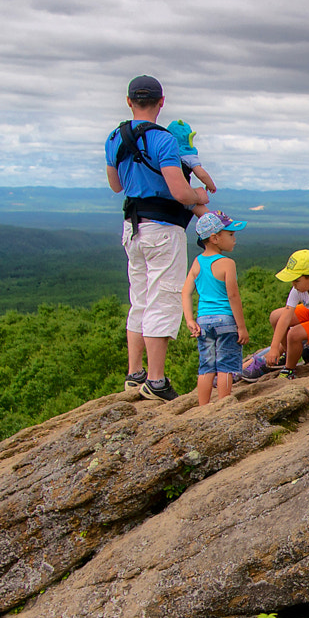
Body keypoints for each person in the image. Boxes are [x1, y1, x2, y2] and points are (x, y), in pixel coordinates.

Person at [105, 75, 208, 402]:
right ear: (161, 102)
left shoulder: (113, 138)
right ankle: (156, 381)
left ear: (128, 101)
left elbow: (115, 185)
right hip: (163, 229)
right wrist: (199, 194)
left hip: (131, 227)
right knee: (164, 299)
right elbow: (180, 193)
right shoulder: (164, 140)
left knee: (141, 298)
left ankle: (134, 375)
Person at [241, 249, 309, 380]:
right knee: (275, 316)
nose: (293, 284)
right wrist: (274, 347)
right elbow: (285, 317)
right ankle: (289, 354)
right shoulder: (299, 288)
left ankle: (289, 369)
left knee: (294, 334)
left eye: (297, 280)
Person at [180, 212, 251, 405]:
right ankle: (223, 405)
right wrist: (241, 327)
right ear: (215, 238)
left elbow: (185, 292)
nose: (234, 239)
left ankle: (203, 407)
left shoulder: (197, 261)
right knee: (226, 366)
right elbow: (233, 296)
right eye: (230, 234)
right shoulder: (227, 263)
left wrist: (189, 320)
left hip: (203, 320)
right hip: (226, 320)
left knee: (206, 366)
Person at [164, 119, 219, 195]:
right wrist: (210, 185)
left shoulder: (165, 153)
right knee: (201, 195)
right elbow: (201, 174)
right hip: (181, 192)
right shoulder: (188, 155)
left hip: (163, 191)